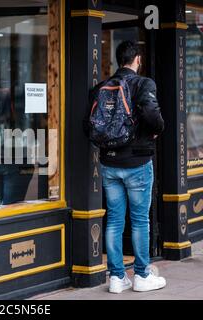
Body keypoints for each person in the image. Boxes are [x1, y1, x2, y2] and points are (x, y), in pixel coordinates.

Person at [84, 41, 166, 293]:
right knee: (140, 220)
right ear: (138, 59)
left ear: (118, 60)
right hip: (138, 162)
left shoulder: (101, 87)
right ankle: (142, 275)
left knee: (115, 219)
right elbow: (152, 114)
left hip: (109, 162)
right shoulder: (143, 83)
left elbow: (89, 125)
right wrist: (157, 130)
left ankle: (117, 278)